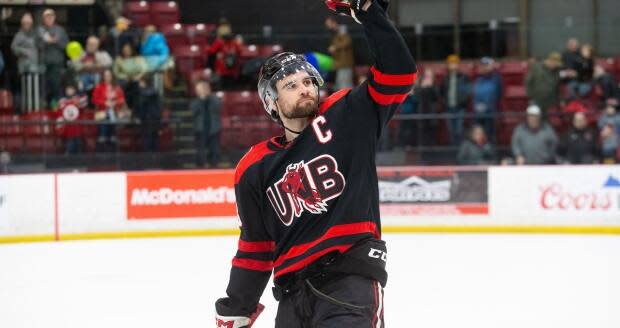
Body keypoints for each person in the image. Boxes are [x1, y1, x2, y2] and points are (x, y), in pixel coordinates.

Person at [214, 1, 416, 327]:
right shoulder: (254, 167)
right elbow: (255, 247)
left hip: (349, 283)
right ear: (272, 103)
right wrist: (237, 307)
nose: (304, 88)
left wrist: (369, 14)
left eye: (308, 81)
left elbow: (400, 73)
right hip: (293, 298)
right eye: (291, 86)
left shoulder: (347, 115)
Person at [11, 12, 41, 113]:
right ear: (22, 23)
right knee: (25, 90)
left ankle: (35, 111)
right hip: (24, 68)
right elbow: (13, 47)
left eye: (29, 22)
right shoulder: (19, 34)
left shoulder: (35, 33)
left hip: (35, 67)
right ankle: (25, 111)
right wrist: (24, 51)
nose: (27, 24)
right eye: (25, 22)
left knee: (35, 90)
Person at [38, 9, 68, 107]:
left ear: (54, 18)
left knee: (57, 85)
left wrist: (55, 41)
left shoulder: (60, 30)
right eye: (47, 17)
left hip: (57, 63)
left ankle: (58, 107)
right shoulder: (39, 30)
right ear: (43, 19)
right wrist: (48, 41)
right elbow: (37, 45)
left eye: (51, 16)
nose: (49, 18)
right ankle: (43, 107)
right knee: (43, 87)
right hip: (43, 63)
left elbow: (65, 45)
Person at [441, 54, 471, 145]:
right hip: (449, 108)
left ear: (458, 65)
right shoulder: (445, 78)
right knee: (451, 130)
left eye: (454, 63)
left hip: (460, 108)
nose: (453, 65)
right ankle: (452, 149)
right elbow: (442, 92)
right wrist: (444, 102)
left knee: (459, 129)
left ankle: (460, 149)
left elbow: (468, 91)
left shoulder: (464, 77)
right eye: (450, 63)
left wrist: (463, 102)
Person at [191, 80, 221, 167]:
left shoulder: (214, 99)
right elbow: (194, 111)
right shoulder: (196, 101)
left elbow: (218, 107)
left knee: (214, 149)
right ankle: (201, 165)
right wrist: (201, 99)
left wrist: (208, 97)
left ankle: (214, 165)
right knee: (200, 149)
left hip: (213, 128)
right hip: (200, 128)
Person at [472, 57, 502, 141]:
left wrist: (488, 106)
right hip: (478, 114)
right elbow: (475, 95)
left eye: (486, 65)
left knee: (490, 137)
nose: (483, 67)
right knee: (478, 137)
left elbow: (497, 95)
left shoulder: (496, 79)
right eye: (482, 65)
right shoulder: (478, 80)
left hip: (491, 113)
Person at [525, 52, 562, 118]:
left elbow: (557, 86)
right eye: (555, 64)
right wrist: (530, 95)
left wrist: (558, 99)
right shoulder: (536, 67)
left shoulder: (557, 71)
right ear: (550, 61)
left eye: (557, 65)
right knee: (534, 118)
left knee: (546, 120)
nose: (556, 66)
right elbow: (528, 82)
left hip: (550, 101)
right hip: (536, 99)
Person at [113, 43, 147, 110]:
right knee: (124, 85)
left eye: (128, 50)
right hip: (124, 81)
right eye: (125, 50)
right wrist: (126, 77)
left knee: (138, 85)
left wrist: (138, 77)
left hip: (137, 79)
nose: (126, 51)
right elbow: (116, 73)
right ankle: (126, 108)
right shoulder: (119, 59)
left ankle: (137, 109)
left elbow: (144, 69)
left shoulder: (138, 59)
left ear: (132, 50)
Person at [56, 84, 87, 154]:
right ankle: (68, 157)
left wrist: (82, 90)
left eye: (71, 89)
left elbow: (84, 104)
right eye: (68, 89)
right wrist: (59, 126)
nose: (69, 91)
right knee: (69, 145)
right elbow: (59, 113)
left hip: (77, 127)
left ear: (74, 90)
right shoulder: (62, 101)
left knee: (79, 144)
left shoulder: (78, 100)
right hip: (67, 128)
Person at [326, 16, 354, 90]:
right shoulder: (336, 32)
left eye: (329, 24)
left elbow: (347, 42)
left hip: (345, 62)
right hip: (340, 63)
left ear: (334, 22)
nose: (328, 26)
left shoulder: (342, 31)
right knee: (340, 84)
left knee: (345, 85)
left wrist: (335, 47)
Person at [134, 75, 161, 152]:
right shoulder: (155, 91)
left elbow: (141, 106)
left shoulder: (143, 93)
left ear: (143, 82)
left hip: (146, 120)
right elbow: (159, 107)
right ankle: (155, 160)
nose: (139, 84)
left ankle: (148, 160)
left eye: (140, 82)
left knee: (147, 141)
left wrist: (137, 116)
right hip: (155, 120)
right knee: (155, 141)